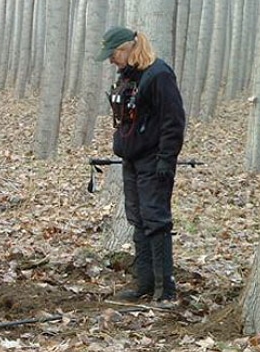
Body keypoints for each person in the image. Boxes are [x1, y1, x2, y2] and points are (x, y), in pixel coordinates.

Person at [96, 26, 186, 306]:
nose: (111, 61)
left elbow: (174, 122)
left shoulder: (159, 75)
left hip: (154, 160)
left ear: (127, 49)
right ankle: (144, 283)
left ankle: (165, 290)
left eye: (113, 55)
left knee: (156, 220)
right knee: (137, 218)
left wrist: (166, 161)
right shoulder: (128, 76)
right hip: (132, 159)